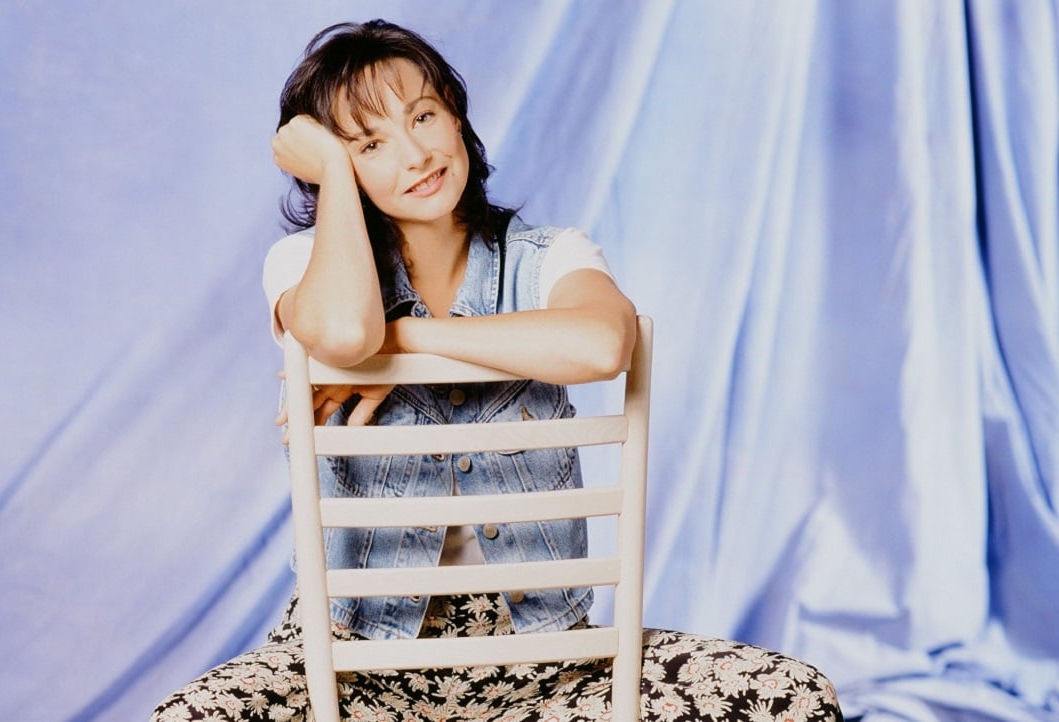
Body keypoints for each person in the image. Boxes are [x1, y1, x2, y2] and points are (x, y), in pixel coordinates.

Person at [153, 19, 843, 722]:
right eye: (369, 145)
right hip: (352, 666)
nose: (416, 155)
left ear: (456, 114)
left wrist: (404, 340)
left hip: (551, 672)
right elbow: (345, 332)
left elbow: (603, 346)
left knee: (793, 696)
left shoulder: (550, 257)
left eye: (423, 116)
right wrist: (331, 170)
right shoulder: (303, 264)